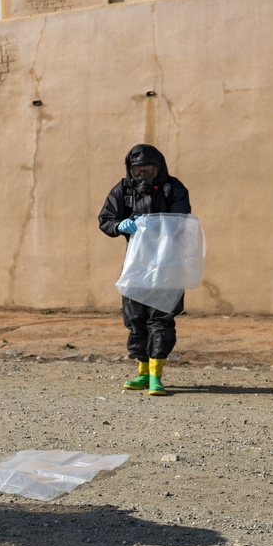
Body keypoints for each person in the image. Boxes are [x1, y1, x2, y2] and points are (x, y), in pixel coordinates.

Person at [98, 143, 191, 396]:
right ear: (131, 170)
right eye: (138, 171)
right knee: (135, 316)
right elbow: (106, 219)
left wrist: (154, 225)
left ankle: (156, 376)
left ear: (158, 168)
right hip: (136, 262)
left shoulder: (174, 188)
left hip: (168, 262)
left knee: (161, 317)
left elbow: (181, 219)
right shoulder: (123, 190)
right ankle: (142, 372)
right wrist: (120, 226)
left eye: (148, 170)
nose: (143, 176)